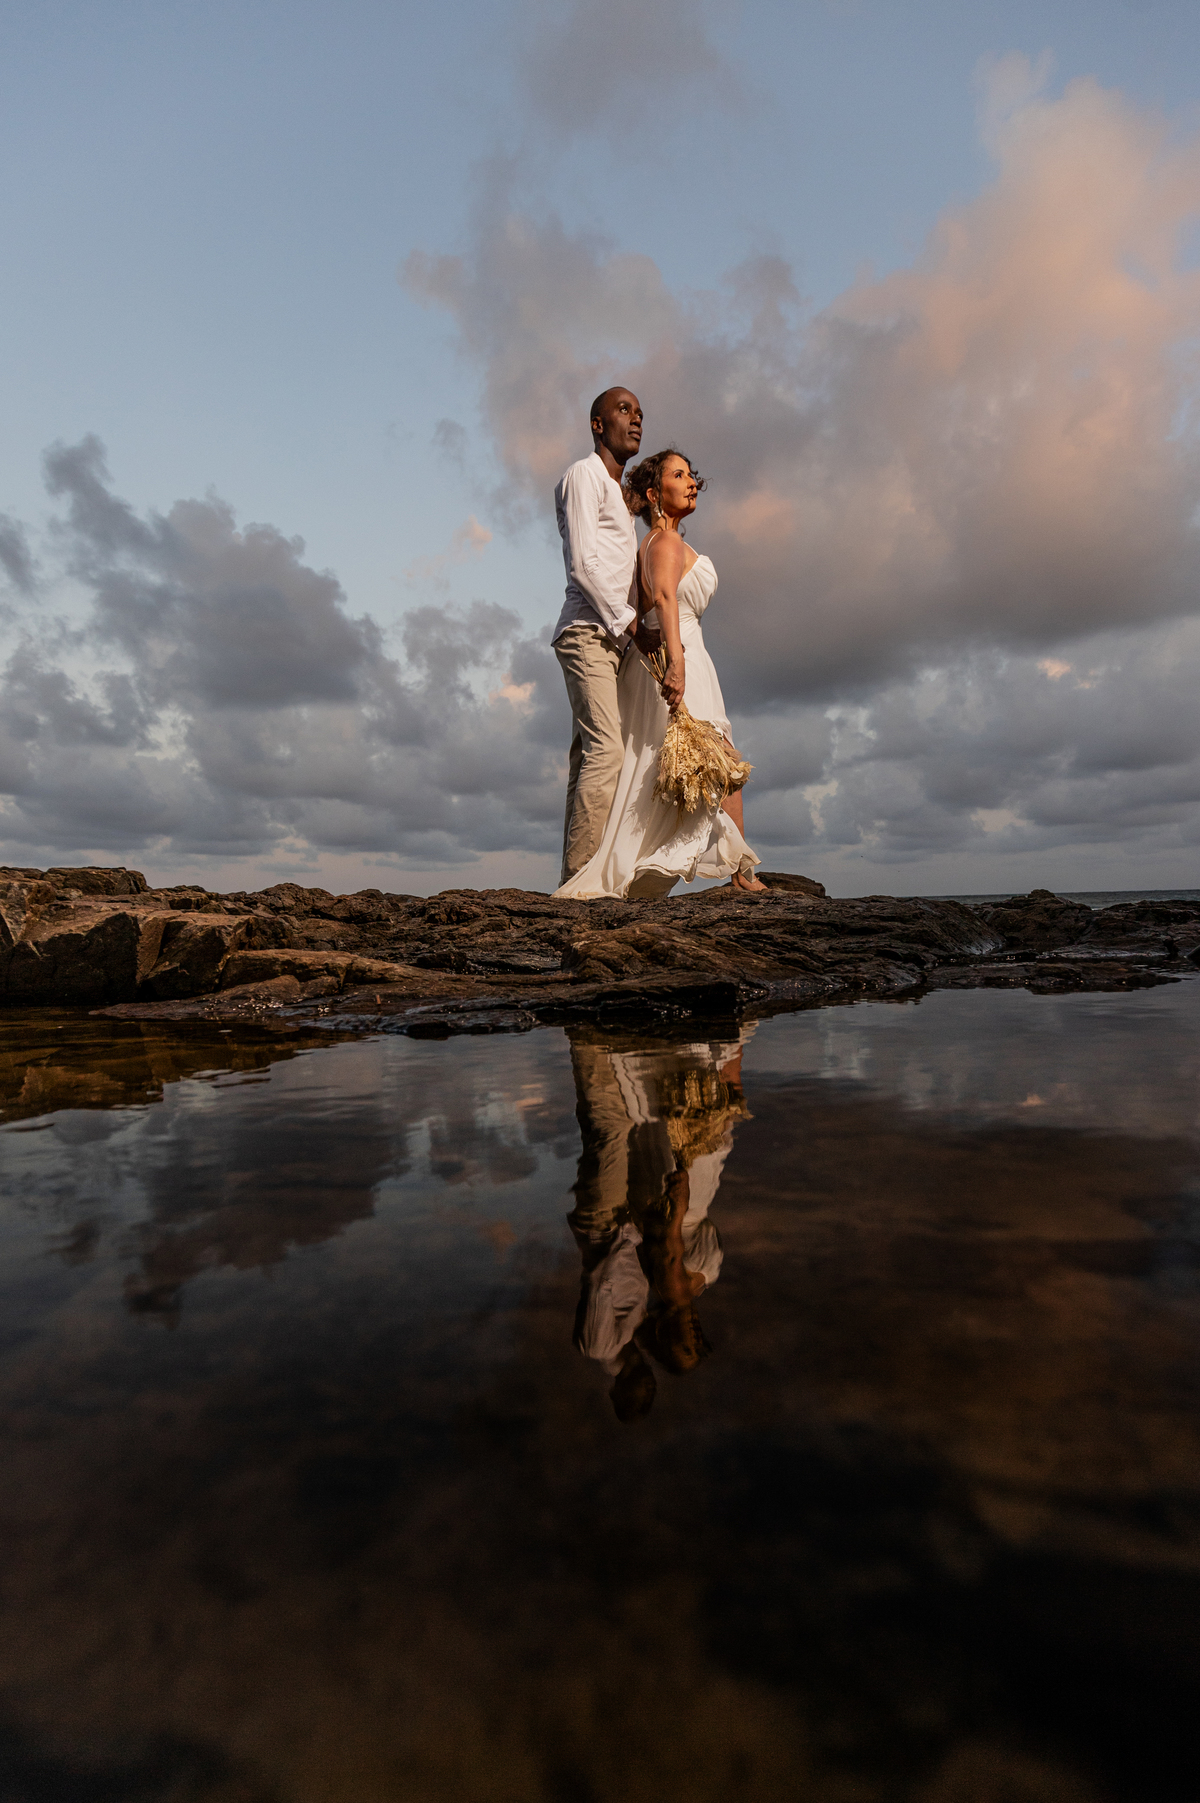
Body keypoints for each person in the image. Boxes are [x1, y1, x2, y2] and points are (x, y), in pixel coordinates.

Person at [555, 446, 766, 899]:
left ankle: (652, 872)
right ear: (654, 493)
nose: (691, 482)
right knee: (723, 762)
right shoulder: (665, 542)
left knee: (659, 769)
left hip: (657, 657)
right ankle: (742, 876)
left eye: (692, 474)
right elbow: (667, 599)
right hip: (678, 651)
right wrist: (679, 661)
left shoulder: (645, 545)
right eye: (679, 474)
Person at [552, 387, 661, 887]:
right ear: (598, 424)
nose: (635, 419)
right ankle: (583, 883)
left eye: (639, 413)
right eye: (623, 410)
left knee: (587, 757)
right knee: (607, 752)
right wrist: (631, 624)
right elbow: (581, 564)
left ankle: (573, 881)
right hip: (587, 633)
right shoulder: (583, 475)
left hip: (612, 639)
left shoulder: (619, 494)